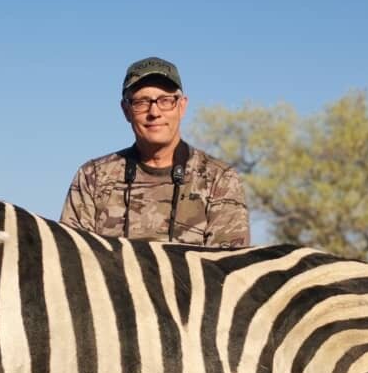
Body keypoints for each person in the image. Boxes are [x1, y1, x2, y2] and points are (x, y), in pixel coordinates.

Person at [60, 56, 249, 247]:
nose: (154, 112)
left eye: (166, 101)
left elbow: (226, 268)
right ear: (126, 110)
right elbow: (73, 259)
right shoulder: (93, 177)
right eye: (141, 102)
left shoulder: (220, 179)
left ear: (182, 106)